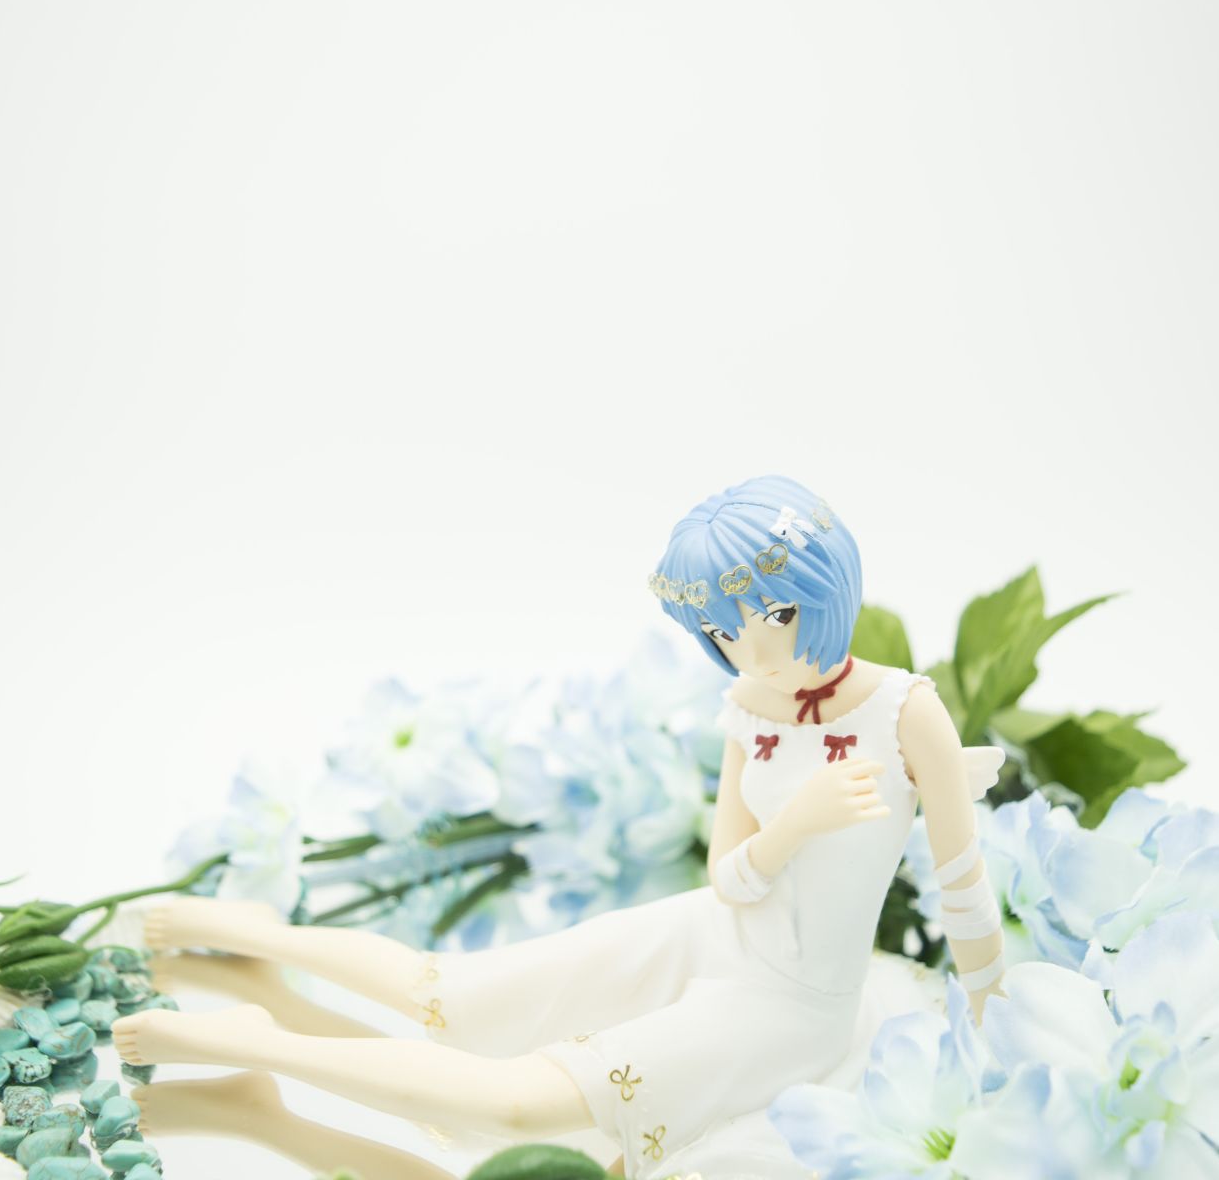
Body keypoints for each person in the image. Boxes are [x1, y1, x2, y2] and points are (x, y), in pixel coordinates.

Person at [114, 474, 1005, 1178]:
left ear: (826, 584)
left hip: (795, 1006)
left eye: (776, 616)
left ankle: (261, 1059)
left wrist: (993, 1016)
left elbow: (962, 882)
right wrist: (796, 824)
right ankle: (266, 939)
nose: (758, 652)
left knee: (514, 1106)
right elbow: (729, 876)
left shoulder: (906, 712)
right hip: (713, 928)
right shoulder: (749, 705)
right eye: (726, 631)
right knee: (447, 991)